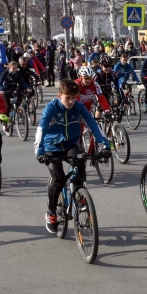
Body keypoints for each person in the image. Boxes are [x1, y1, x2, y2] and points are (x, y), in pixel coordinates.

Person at [34, 79, 111, 233]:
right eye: (67, 97)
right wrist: (40, 152)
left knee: (80, 160)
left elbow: (93, 125)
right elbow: (41, 128)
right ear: (59, 95)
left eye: (73, 98)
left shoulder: (79, 108)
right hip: (52, 147)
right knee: (59, 179)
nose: (70, 101)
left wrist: (105, 145)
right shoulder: (52, 108)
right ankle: (51, 212)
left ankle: (80, 195)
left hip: (70, 144)